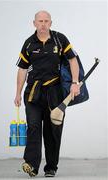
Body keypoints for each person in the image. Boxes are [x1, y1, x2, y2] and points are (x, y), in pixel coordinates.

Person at [14, 10, 80, 177]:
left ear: (50, 23)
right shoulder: (29, 43)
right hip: (33, 93)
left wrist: (74, 82)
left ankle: (51, 167)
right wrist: (17, 93)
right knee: (34, 127)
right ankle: (32, 165)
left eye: (46, 21)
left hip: (55, 93)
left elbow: (73, 60)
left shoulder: (60, 39)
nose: (43, 24)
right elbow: (22, 69)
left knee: (52, 130)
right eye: (40, 21)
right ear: (34, 23)